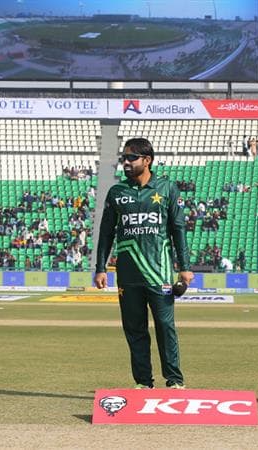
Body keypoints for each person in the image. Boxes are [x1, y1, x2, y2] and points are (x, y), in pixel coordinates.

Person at [94, 137, 193, 390]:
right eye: (123, 158)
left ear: (147, 160)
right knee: (134, 329)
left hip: (159, 272)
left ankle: (174, 381)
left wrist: (184, 266)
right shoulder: (117, 192)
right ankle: (143, 382)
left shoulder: (167, 188)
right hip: (127, 274)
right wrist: (100, 268)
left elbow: (178, 228)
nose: (125, 162)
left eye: (131, 158)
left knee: (165, 327)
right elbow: (106, 232)